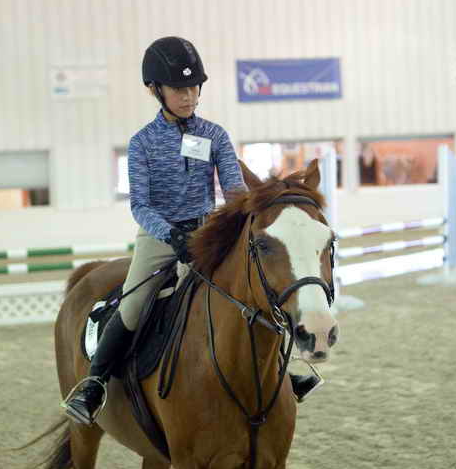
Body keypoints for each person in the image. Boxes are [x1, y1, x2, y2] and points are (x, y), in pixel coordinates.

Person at [63, 37, 321, 426]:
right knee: (133, 304)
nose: (188, 96)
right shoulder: (142, 143)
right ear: (155, 90)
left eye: (193, 87)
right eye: (178, 89)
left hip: (207, 234)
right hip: (159, 238)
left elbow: (234, 190)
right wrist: (171, 235)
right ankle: (94, 384)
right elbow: (140, 205)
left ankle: (285, 373)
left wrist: (242, 214)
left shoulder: (215, 135)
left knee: (256, 287)